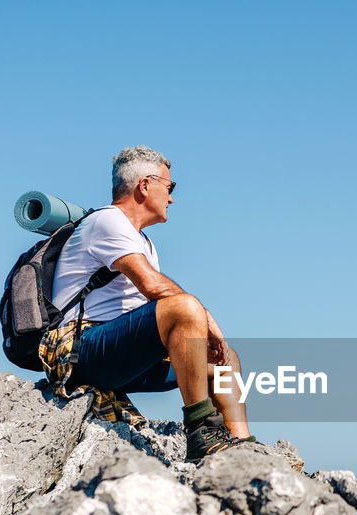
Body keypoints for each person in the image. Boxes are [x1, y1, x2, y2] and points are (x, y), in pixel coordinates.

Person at [39, 145, 251, 462]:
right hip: (79, 348)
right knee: (184, 307)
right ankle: (201, 432)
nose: (172, 198)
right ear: (145, 185)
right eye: (170, 187)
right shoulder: (108, 222)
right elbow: (153, 286)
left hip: (116, 352)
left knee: (223, 358)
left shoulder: (143, 241)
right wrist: (206, 318)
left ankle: (242, 446)